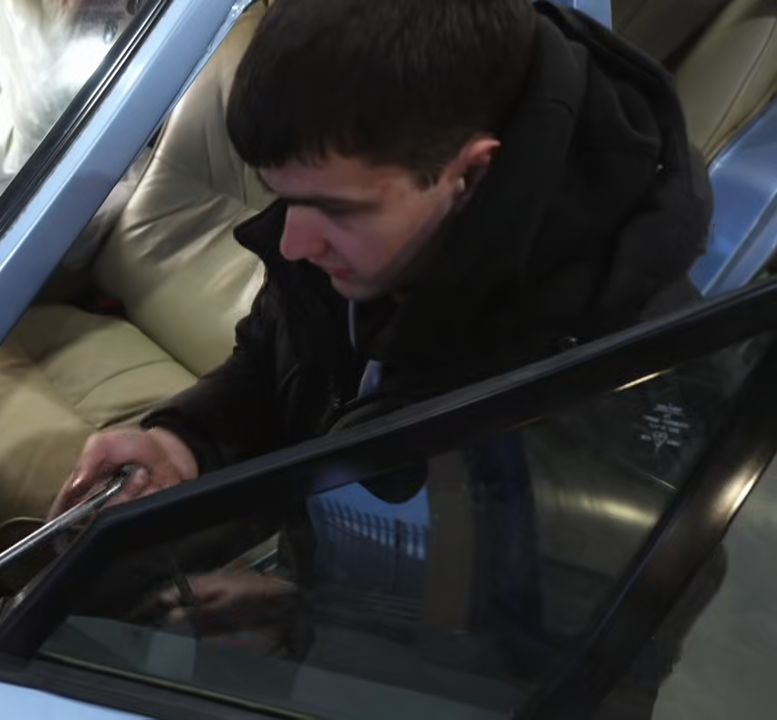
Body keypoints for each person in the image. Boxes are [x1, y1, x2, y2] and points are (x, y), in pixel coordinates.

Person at [49, 0, 712, 519]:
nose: (293, 244)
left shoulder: (626, 380)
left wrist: (296, 615)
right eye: (283, 198)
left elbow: (587, 623)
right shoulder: (360, 238)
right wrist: (183, 442)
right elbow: (277, 359)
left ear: (471, 176)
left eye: (337, 210)